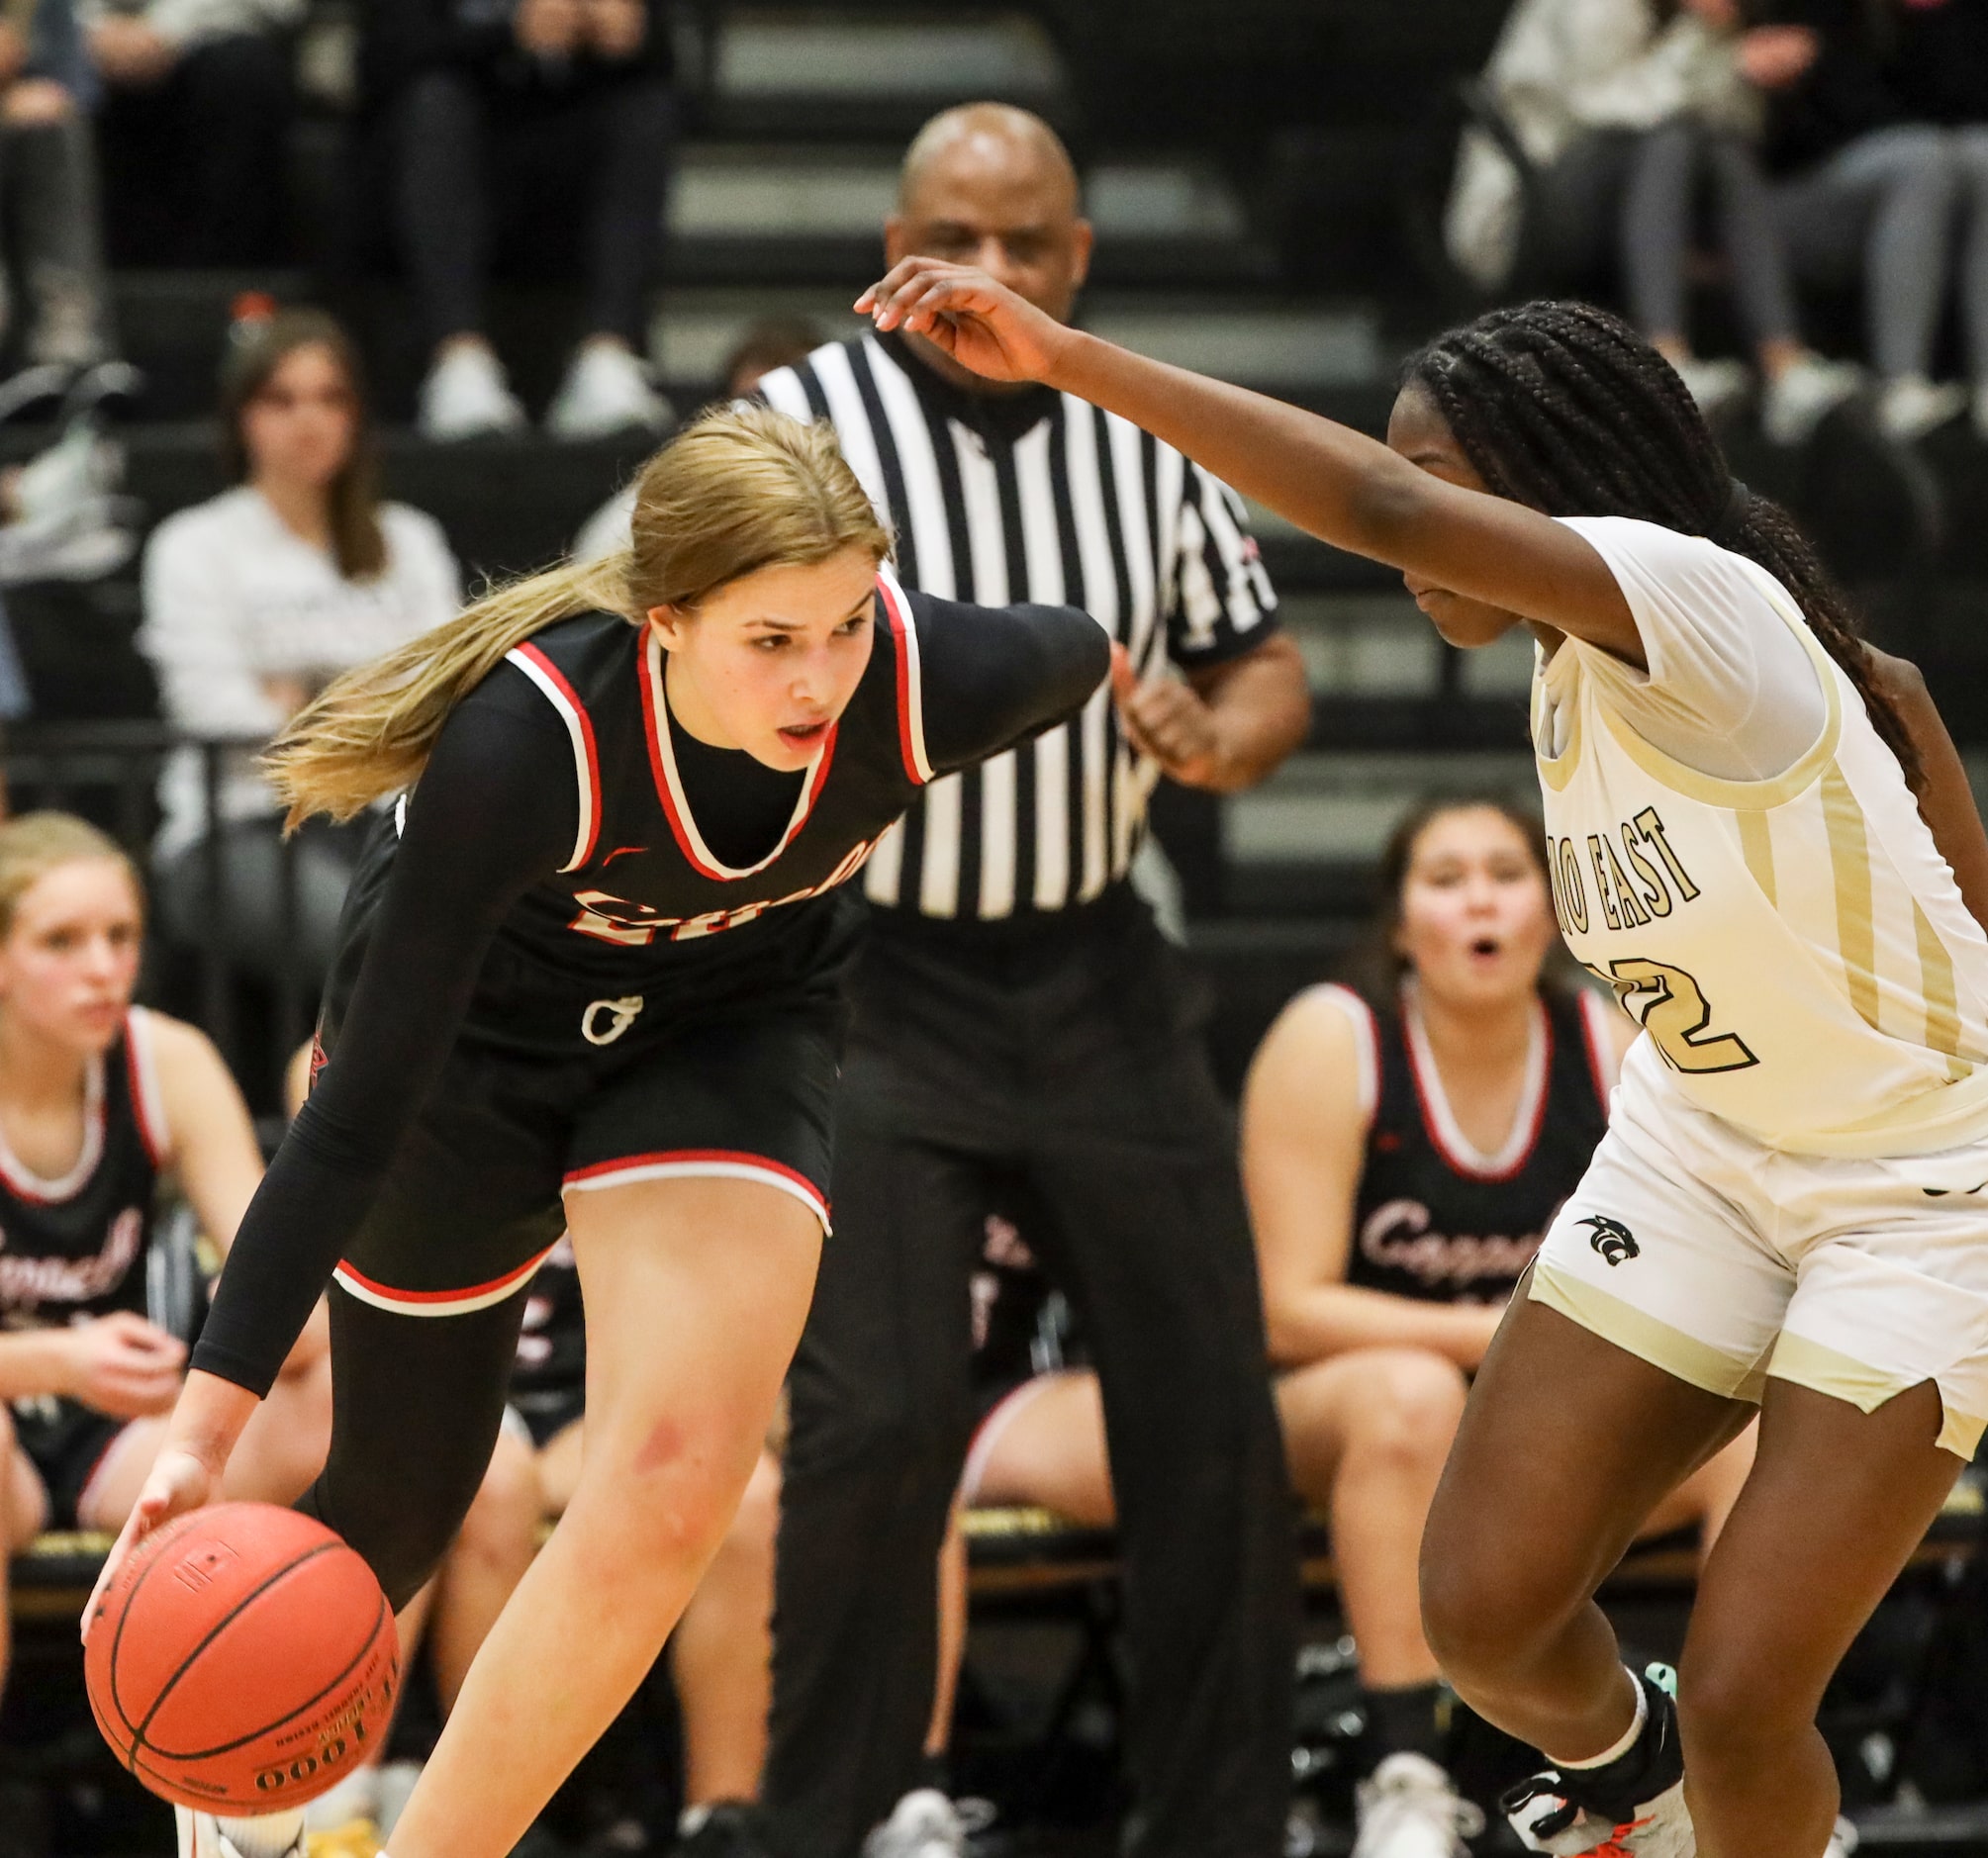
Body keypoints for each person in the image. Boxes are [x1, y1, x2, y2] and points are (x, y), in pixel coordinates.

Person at [852, 254, 1988, 1858]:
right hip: (1705, 1149)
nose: (1406, 540)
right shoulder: (1566, 664)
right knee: (1479, 1613)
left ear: (1535, 492)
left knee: (1749, 1694)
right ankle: (1630, 1786)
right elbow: (1901, 694)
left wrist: (1065, 358)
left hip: (1917, 1185)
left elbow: (1380, 508)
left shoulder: (1692, 595)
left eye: (1444, 479)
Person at [88, 403, 1109, 1858]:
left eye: (844, 627)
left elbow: (1076, 642)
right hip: (474, 1052)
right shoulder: (521, 741)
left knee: (679, 1472)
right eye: (772, 640)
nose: (821, 678)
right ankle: (227, 1818)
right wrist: (206, 1425)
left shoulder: (924, 677)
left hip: (724, 1022)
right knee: (402, 1494)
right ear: (667, 621)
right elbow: (351, 1118)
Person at [747, 102, 1310, 1858]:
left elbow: (1265, 662)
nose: (989, 273)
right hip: (867, 974)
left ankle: (1221, 1822)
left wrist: (1215, 742)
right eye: (954, 238)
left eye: (1028, 243)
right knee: (875, 1421)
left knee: (1210, 1410)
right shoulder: (793, 428)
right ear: (891, 249)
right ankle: (819, 1828)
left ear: (1079, 255)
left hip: (1092, 968)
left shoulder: (1150, 426)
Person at [963, 794, 1756, 1857]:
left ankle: (1738, 1773)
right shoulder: (1331, 1039)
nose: (1477, 899)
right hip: (1328, 1408)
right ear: (1398, 925)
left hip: (1517, 1422)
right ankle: (1405, 1773)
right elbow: (1285, 1309)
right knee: (1405, 1396)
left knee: (1739, 1431)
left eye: (1504, 874)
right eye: (1443, 879)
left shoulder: (1606, 1038)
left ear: (1551, 912)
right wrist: (1505, 1338)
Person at [0, 812, 331, 1706]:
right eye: (61, 942)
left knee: (334, 1387)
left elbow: (278, 1266)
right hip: (8, 1438)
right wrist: (57, 1361)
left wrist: (267, 1315)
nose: (103, 967)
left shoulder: (168, 1059)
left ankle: (296, 1770)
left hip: (130, 1434)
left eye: (121, 936)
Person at [138, 309, 460, 994]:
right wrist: (366, 709)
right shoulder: (193, 544)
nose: (307, 420)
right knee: (378, 945)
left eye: (329, 398)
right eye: (280, 400)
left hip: (391, 819)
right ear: (241, 418)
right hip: (236, 826)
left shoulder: (410, 540)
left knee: (501, 931)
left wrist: (297, 698)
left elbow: (443, 695)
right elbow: (210, 710)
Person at [1447, 0, 1861, 441]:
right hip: (1518, 209)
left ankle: (1785, 369)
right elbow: (1604, 110)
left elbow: (1736, 122)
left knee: (1721, 146)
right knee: (1672, 137)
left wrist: (1733, 55)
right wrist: (1726, 61)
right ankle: (1669, 361)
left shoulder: (1680, 20)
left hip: (1611, 203)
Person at [359, 0, 676, 442]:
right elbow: (384, 56)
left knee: (648, 109)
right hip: (463, 132)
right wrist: (510, 31)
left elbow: (674, 64)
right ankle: (458, 357)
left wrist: (631, 31)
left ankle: (608, 353)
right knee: (434, 106)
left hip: (570, 142)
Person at [1751, 0, 1969, 440]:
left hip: (1877, 168)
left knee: (1975, 156)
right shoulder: (1791, 18)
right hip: (1775, 199)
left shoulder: (1910, 22)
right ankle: (1901, 383)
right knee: (1924, 159)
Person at [80, 0, 297, 266]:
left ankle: (223, 281)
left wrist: (165, 29)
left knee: (243, 76)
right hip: (83, 48)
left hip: (212, 36)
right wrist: (92, 28)